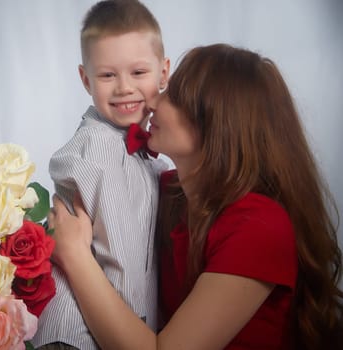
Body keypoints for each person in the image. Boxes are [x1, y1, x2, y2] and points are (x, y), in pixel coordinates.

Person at [48, 43, 343, 349]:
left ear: (218, 124)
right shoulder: (169, 193)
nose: (152, 100)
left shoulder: (260, 226)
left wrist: (74, 254)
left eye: (173, 97)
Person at [32, 1, 170, 349]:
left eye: (138, 73)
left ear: (164, 72)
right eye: (108, 75)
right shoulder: (101, 150)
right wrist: (136, 332)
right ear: (85, 79)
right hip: (80, 335)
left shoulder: (133, 148)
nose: (124, 87)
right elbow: (120, 257)